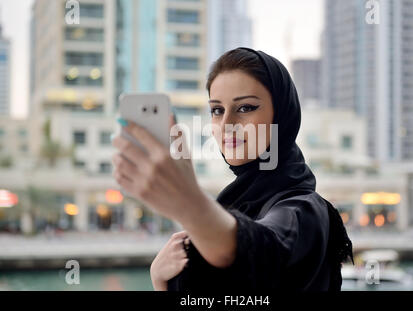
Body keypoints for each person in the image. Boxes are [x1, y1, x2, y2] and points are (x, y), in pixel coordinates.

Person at [112, 47, 354, 292]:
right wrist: (160, 281)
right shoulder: (228, 208)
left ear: (281, 115)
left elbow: (262, 254)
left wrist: (187, 198)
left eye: (246, 108)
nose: (226, 124)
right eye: (217, 110)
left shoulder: (303, 209)